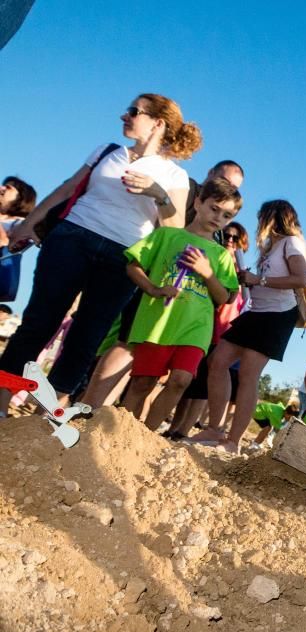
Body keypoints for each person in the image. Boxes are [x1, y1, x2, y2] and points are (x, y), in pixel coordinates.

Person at [0, 94, 198, 415]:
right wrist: (30, 224)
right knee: (38, 323)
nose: (124, 116)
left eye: (134, 112)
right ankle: (1, 401)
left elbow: (173, 228)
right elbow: (67, 189)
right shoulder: (107, 151)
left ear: (158, 123)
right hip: (71, 239)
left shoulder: (174, 176)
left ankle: (47, 414)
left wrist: (157, 193)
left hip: (123, 258)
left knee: (86, 337)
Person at [83, 160, 245, 408]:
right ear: (209, 176)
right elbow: (163, 230)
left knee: (152, 375)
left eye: (234, 186)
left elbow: (225, 294)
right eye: (223, 180)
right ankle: (90, 406)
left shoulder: (220, 235)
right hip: (150, 274)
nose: (227, 188)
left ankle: (113, 418)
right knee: (125, 345)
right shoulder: (187, 187)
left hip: (184, 311)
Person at [120, 179, 241, 431]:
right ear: (198, 203)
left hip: (195, 328)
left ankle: (147, 436)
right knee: (143, 382)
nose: (218, 217)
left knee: (180, 380)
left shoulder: (221, 256)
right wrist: (153, 288)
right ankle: (119, 432)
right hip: (157, 323)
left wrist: (207, 273)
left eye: (227, 215)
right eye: (214, 208)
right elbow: (133, 265)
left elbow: (224, 297)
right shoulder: (166, 235)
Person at [190, 200, 306, 454]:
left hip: (277, 316)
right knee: (218, 361)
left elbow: (301, 278)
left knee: (247, 374)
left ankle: (232, 441)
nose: (258, 224)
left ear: (272, 218)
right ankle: (215, 428)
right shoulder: (270, 247)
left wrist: (259, 279)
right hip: (256, 312)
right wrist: (250, 281)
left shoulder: (293, 242)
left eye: (261, 218)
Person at [165, 221, 250, 439]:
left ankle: (183, 430)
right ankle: (175, 426)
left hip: (222, 329)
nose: (230, 240)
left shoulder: (241, 270)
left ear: (242, 243)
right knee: (188, 380)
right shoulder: (212, 254)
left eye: (235, 237)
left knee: (203, 385)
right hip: (200, 321)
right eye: (227, 235)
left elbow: (239, 300)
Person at [0, 176, 37, 244]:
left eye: (8, 187)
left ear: (20, 198)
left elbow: (5, 243)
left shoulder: (19, 223)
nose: (1, 188)